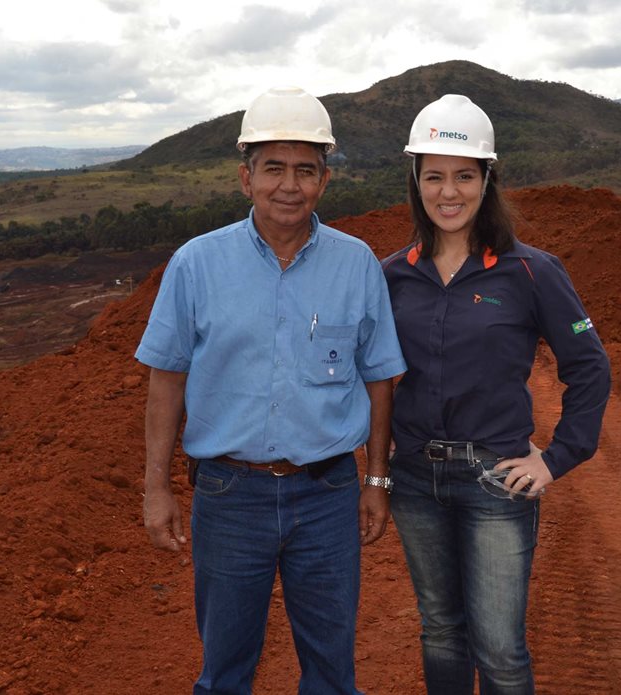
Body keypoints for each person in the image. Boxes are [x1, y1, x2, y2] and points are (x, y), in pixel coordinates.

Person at [136, 86, 406, 695]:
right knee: (224, 672)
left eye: (305, 170)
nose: (289, 185)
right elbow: (166, 379)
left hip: (328, 494)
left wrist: (376, 480)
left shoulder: (357, 263)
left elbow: (379, 377)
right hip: (230, 495)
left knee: (332, 672)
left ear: (324, 181)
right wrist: (156, 488)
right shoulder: (196, 264)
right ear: (246, 178)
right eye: (273, 168)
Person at [381, 94, 611, 694]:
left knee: (500, 650)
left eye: (464, 176)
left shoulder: (531, 270)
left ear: (487, 180)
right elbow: (369, 372)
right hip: (414, 480)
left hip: (494, 480)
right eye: (434, 176)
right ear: (416, 181)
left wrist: (556, 458)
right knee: (440, 631)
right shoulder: (392, 274)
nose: (448, 192)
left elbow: (589, 365)